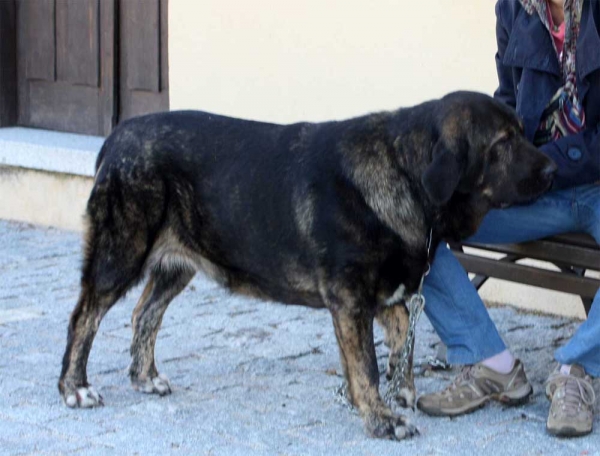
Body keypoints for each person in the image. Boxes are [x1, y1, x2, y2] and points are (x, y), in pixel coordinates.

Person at [416, 0, 600, 437]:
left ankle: (577, 373)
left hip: (586, 182)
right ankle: (490, 363)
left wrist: (534, 164)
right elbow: (508, 104)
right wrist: (478, 162)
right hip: (532, 186)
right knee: (414, 220)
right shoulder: (516, 9)